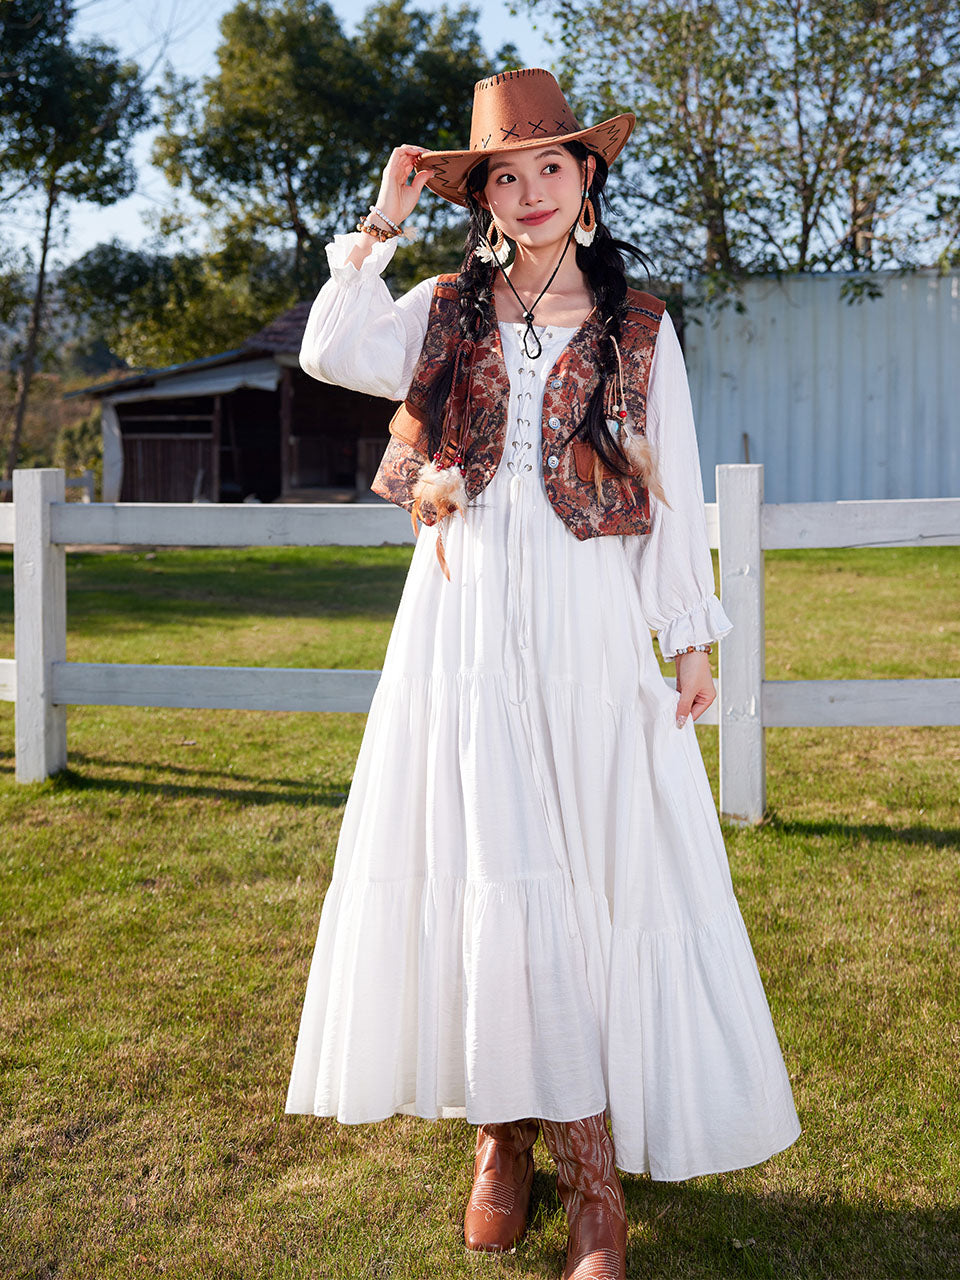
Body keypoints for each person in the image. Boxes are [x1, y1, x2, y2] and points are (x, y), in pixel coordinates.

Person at [285, 67, 800, 1280]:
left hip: (585, 624)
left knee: (581, 876)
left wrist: (688, 630)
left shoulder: (640, 322)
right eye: (502, 176)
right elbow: (325, 346)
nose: (526, 193)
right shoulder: (437, 305)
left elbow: (668, 484)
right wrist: (381, 217)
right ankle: (500, 1135)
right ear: (479, 194)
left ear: (588, 180)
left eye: (549, 169)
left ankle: (595, 1188)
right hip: (461, 625)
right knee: (486, 859)